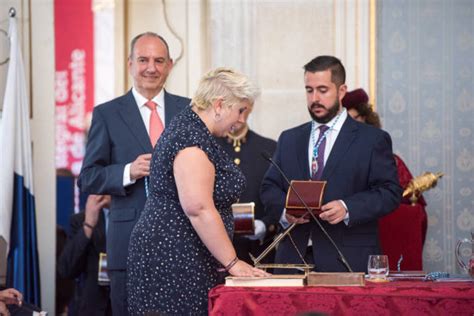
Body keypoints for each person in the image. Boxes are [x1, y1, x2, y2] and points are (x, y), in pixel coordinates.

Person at [127, 68, 269, 315]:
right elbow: (199, 208)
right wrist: (233, 263)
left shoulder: (193, 130)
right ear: (219, 105)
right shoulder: (191, 138)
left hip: (184, 254)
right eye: (241, 110)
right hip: (173, 258)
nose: (242, 120)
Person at [78, 32, 190, 315]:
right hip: (128, 246)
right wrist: (128, 171)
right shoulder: (107, 113)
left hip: (184, 244)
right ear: (130, 63)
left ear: (170, 65)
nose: (151, 68)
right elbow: (88, 177)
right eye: (143, 60)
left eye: (158, 60)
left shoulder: (189, 110)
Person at [261, 56, 402, 273]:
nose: (315, 98)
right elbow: (269, 188)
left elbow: (390, 193)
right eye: (309, 90)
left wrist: (347, 208)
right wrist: (284, 211)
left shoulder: (372, 139)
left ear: (342, 90)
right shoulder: (289, 138)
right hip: (292, 260)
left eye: (323, 90)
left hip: (347, 260)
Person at [342, 88, 428, 270]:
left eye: (355, 119)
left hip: (378, 241)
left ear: (366, 118)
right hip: (349, 244)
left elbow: (409, 202)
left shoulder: (389, 159)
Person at [215, 105, 278, 264]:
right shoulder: (209, 146)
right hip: (216, 251)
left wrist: (266, 224)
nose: (239, 116)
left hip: (259, 252)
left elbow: (278, 194)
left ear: (250, 107)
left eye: (243, 109)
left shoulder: (269, 148)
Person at [58, 194, 112, 315]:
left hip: (125, 305)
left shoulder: (137, 216)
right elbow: (66, 269)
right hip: (91, 307)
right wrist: (88, 225)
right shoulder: (80, 220)